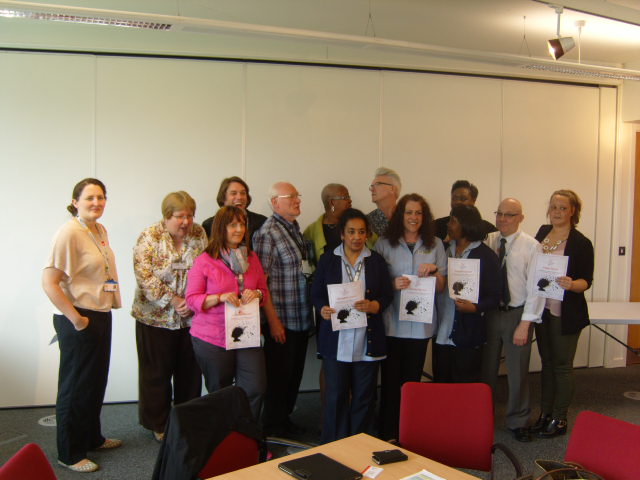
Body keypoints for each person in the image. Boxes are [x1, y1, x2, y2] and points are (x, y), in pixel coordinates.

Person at [42, 178, 122, 473]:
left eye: (101, 197)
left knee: (94, 381)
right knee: (75, 387)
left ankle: (91, 437)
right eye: (89, 198)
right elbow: (49, 283)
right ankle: (70, 452)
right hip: (78, 317)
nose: (96, 203)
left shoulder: (99, 229)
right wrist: (76, 319)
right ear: (75, 202)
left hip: (100, 313)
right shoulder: (69, 232)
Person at [312, 209, 393, 443]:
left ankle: (360, 445)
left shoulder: (376, 261)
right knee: (335, 395)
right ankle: (334, 445)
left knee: (364, 397)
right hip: (336, 340)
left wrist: (375, 305)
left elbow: (387, 294)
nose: (356, 237)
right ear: (342, 234)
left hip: (367, 340)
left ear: (367, 234)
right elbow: (316, 294)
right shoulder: (328, 259)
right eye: (351, 232)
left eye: (361, 232)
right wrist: (322, 308)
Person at [132, 191, 207, 442]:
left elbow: (206, 268)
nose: (186, 222)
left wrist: (193, 301)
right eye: (179, 217)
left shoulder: (199, 234)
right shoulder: (149, 236)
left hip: (190, 318)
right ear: (166, 216)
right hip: (155, 318)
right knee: (156, 374)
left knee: (190, 373)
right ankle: (159, 424)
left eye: (190, 216)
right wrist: (174, 300)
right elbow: (144, 276)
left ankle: (186, 420)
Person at [374, 194, 447, 440]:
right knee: (390, 381)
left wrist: (434, 272)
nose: (413, 217)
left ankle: (408, 432)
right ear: (400, 215)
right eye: (408, 212)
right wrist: (391, 284)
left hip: (420, 326)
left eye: (418, 213)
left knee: (412, 382)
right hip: (392, 324)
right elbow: (374, 283)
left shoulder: (436, 244)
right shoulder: (384, 243)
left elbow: (441, 287)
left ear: (424, 217)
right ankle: (387, 430)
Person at [185, 206, 268, 419]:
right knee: (220, 392)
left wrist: (257, 294)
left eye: (242, 224)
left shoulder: (251, 258)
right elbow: (192, 299)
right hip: (213, 337)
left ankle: (247, 435)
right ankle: (223, 437)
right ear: (221, 228)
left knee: (255, 387)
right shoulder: (204, 260)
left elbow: (264, 292)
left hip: (246, 334)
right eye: (233, 225)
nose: (239, 229)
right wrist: (219, 297)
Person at [530, 190, 593, 438]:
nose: (556, 212)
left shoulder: (581, 242)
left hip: (564, 313)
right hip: (541, 309)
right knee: (546, 364)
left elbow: (586, 281)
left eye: (562, 208)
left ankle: (560, 418)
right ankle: (545, 413)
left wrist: (571, 284)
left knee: (562, 366)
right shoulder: (542, 233)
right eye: (554, 207)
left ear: (572, 211)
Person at [253, 182, 313, 436]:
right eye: (291, 196)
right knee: (278, 378)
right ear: (275, 202)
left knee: (293, 376)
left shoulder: (294, 228)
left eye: (298, 195)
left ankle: (284, 420)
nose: (298, 200)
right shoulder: (267, 233)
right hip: (281, 321)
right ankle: (272, 427)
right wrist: (273, 322)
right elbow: (261, 283)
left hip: (300, 317)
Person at [480, 198, 543, 443]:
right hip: (490, 313)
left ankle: (518, 421)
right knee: (486, 369)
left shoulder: (532, 246)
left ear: (521, 218)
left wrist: (525, 324)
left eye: (509, 215)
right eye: (499, 214)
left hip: (517, 314)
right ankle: (482, 416)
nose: (503, 219)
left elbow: (536, 289)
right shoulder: (489, 240)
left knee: (517, 371)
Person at [433, 205, 500, 383]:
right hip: (441, 331)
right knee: (441, 386)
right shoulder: (444, 249)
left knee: (463, 387)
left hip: (468, 334)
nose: (448, 224)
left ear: (466, 224)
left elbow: (495, 297)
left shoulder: (486, 256)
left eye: (453, 221)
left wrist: (475, 307)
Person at [201, 176, 268, 244]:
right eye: (233, 193)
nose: (239, 197)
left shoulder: (262, 222)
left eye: (243, 193)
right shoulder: (209, 225)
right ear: (223, 197)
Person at [434, 180, 497, 246]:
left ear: (473, 201)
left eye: (463, 199)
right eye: (454, 198)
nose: (457, 202)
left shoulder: (488, 230)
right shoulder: (436, 226)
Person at [304, 183, 353, 263]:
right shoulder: (311, 232)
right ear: (332, 202)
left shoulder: (358, 224)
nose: (350, 200)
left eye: (349, 197)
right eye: (345, 197)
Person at [367, 167, 401, 237]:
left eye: (377, 184)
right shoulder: (366, 221)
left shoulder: (409, 217)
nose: (372, 189)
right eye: (371, 186)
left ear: (392, 188)